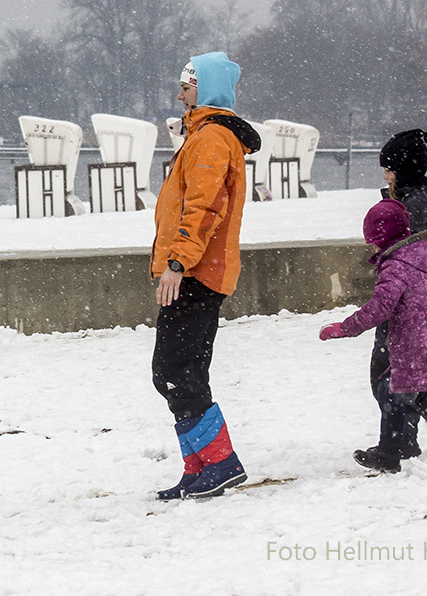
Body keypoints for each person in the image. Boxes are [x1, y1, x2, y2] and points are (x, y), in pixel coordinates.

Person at [319, 199, 427, 479]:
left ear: (384, 236)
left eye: (373, 240)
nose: (372, 247)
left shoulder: (397, 265)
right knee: (390, 389)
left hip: (417, 340)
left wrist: (346, 327)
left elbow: (381, 307)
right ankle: (390, 454)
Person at [150, 52, 259, 500]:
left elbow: (204, 208)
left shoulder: (212, 138)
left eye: (187, 87)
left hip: (196, 272)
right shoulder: (203, 135)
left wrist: (178, 263)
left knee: (177, 370)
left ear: (207, 89)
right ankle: (200, 467)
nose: (179, 94)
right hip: (195, 270)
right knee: (178, 370)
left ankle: (220, 464)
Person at [359, 129, 427, 461]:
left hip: (406, 307)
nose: (385, 176)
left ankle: (413, 431)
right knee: (395, 374)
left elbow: (405, 259)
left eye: (389, 170)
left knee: (387, 374)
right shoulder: (414, 200)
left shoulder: (411, 205)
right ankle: (414, 431)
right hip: (412, 305)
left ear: (401, 171)